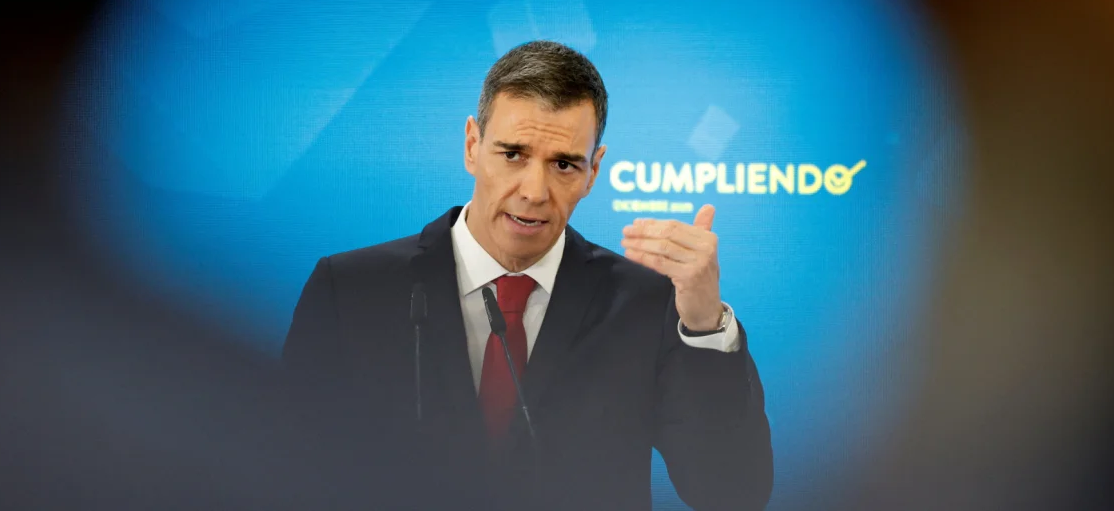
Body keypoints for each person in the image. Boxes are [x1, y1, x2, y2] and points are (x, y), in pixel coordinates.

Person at [282, 40, 773, 511]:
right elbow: (286, 474)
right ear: (472, 145)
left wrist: (705, 324)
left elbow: (731, 491)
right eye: (513, 154)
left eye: (563, 164)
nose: (534, 191)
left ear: (593, 171)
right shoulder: (351, 291)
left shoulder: (648, 303)